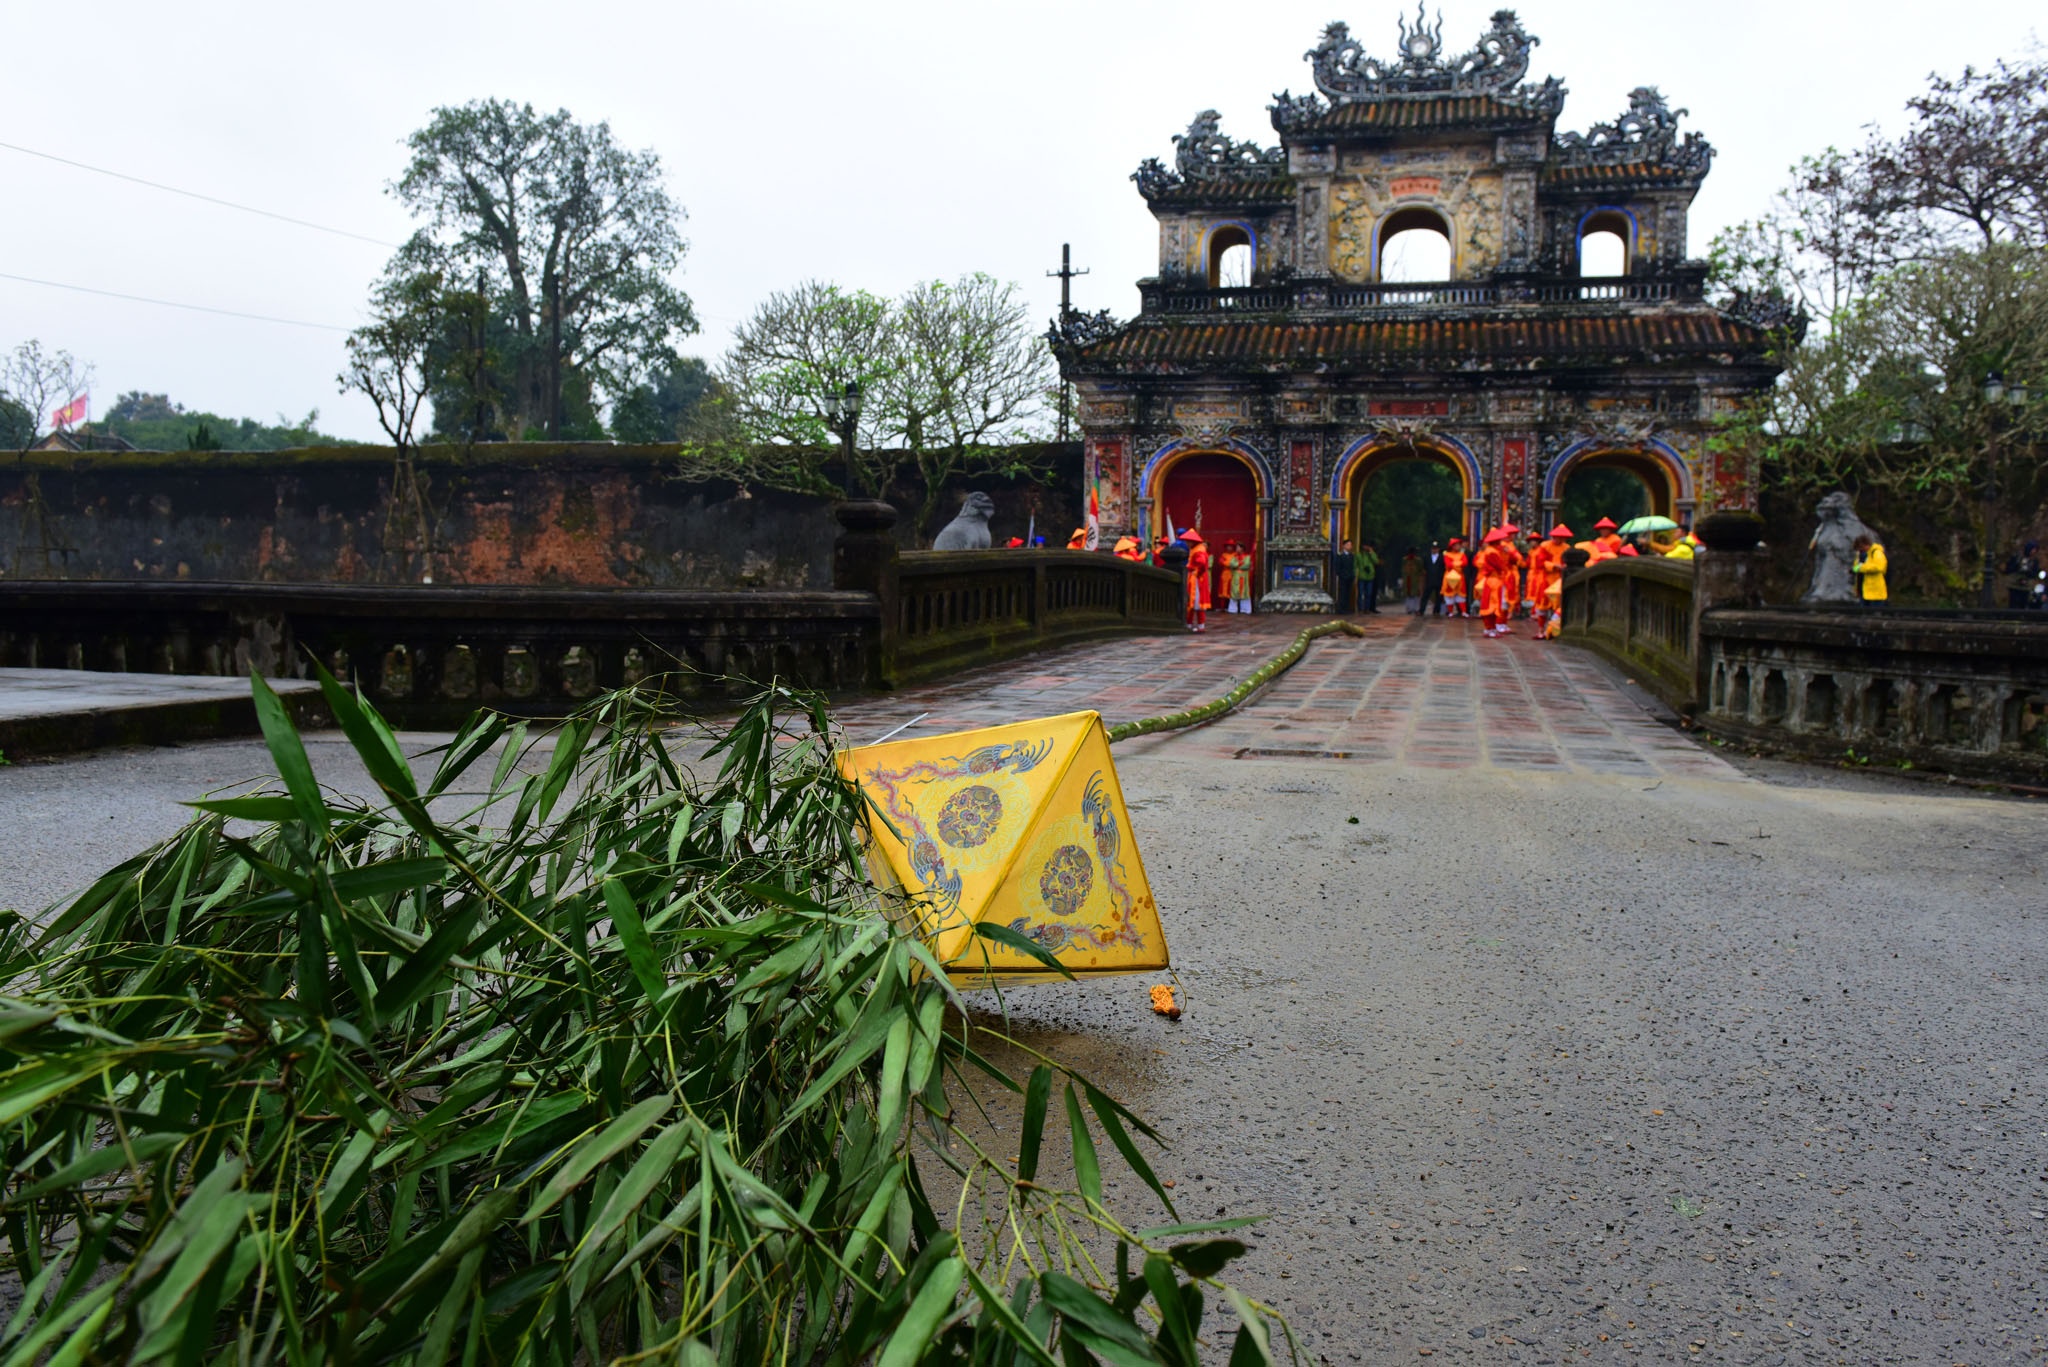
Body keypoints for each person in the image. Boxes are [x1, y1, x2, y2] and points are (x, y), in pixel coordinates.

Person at [1526, 524, 1570, 639]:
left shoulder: (1566, 548)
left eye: (1561, 537)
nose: (1559, 540)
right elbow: (1541, 562)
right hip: (1545, 579)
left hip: (1559, 579)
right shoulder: (1545, 546)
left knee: (1558, 606)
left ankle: (1553, 630)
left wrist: (1564, 566)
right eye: (1557, 537)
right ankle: (1541, 630)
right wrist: (1554, 566)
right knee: (1542, 606)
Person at [1182, 528, 1212, 631]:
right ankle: (1193, 624)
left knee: (1196, 602)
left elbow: (1202, 563)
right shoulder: (1195, 548)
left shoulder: (1199, 550)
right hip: (1194, 578)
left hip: (1197, 580)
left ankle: (1198, 625)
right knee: (1192, 602)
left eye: (1188, 541)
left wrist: (1196, 572)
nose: (1186, 543)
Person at [1851, 533, 1888, 603]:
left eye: (1861, 548)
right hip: (1863, 590)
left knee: (1875, 611)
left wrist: (1861, 568)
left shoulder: (1876, 553)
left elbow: (1879, 567)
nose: (1860, 550)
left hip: (1875, 592)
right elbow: (1857, 567)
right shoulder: (1860, 555)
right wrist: (1854, 569)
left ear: (1866, 545)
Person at [1220, 539, 1254, 613]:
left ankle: (1245, 610)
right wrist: (1240, 564)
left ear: (1242, 548)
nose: (1236, 549)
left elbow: (1247, 565)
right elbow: (1232, 564)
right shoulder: (1234, 557)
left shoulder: (1247, 557)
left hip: (1243, 578)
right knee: (1234, 593)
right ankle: (1232, 609)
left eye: (1237, 547)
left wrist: (1237, 565)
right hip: (1235, 577)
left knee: (1244, 593)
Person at [1441, 536, 1469, 617]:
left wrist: (1454, 563)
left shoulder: (1462, 554)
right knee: (1449, 594)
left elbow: (1465, 563)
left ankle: (1463, 611)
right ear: (1452, 546)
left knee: (1461, 594)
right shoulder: (1447, 555)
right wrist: (1458, 564)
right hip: (1449, 576)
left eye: (1459, 545)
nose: (1459, 546)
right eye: (1457, 545)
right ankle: (1450, 612)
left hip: (1460, 577)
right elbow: (1448, 565)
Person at [1332, 538, 1358, 613]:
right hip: (1343, 577)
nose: (1350, 546)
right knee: (1342, 593)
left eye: (1350, 545)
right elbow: (1337, 567)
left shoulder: (1352, 556)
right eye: (1348, 545)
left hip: (1350, 577)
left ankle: (1346, 608)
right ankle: (1341, 608)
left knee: (1348, 593)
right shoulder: (1340, 555)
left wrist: (1353, 575)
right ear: (1344, 546)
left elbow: (1353, 566)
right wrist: (1340, 574)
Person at [1356, 541, 1382, 613]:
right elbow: (1355, 565)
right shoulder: (1358, 555)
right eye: (1365, 546)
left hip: (1370, 576)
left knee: (1369, 593)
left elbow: (1376, 562)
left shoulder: (1372, 554)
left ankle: (1367, 608)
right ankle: (1360, 608)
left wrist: (1371, 553)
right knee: (1361, 593)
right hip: (1361, 576)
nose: (1366, 547)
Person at [1423, 540, 1445, 615]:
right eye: (1433, 548)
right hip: (1429, 579)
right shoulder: (1427, 557)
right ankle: (1421, 610)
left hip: (1439, 579)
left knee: (1439, 596)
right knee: (1425, 595)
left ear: (1438, 549)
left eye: (1436, 548)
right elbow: (1424, 567)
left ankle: (1436, 611)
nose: (1434, 550)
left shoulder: (1442, 557)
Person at [1400, 547, 1424, 614]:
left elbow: (1421, 570)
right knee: (1408, 595)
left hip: (1415, 580)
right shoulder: (1404, 560)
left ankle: (1415, 609)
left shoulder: (1418, 560)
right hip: (1407, 579)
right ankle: (1409, 609)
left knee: (1416, 595)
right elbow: (1403, 570)